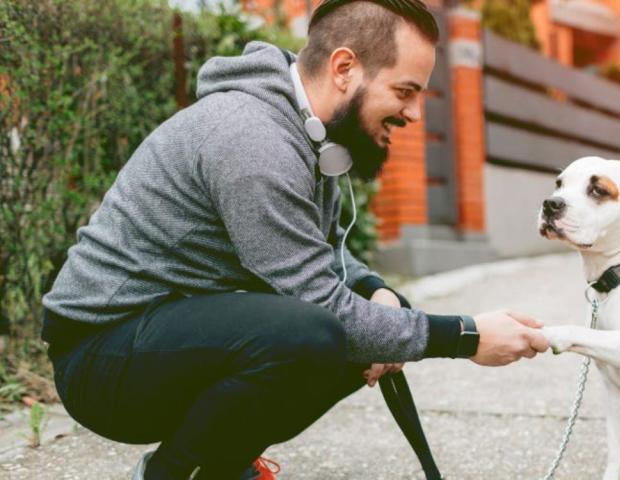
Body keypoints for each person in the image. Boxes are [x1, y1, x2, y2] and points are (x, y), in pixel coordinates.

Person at [40, 1, 549, 478]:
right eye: (405, 91)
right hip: (100, 355)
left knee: (360, 326)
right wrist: (467, 336)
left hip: (160, 333)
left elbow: (317, 250)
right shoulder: (252, 138)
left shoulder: (306, 131)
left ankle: (220, 461)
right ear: (344, 68)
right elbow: (319, 302)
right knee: (313, 334)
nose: (414, 115)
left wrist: (374, 286)